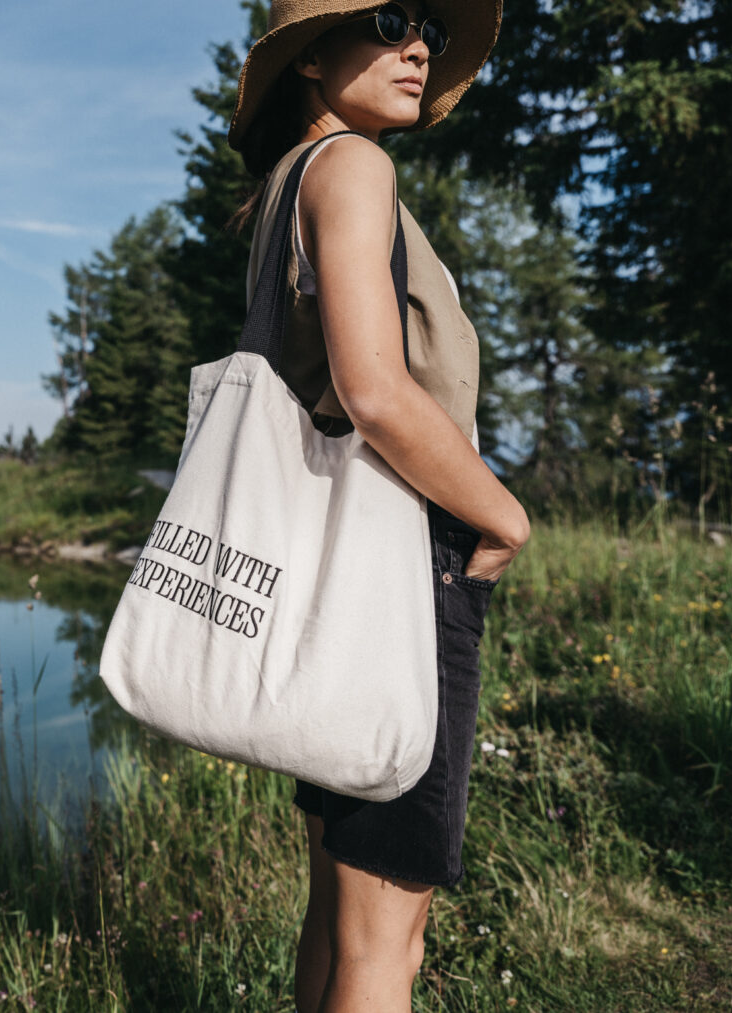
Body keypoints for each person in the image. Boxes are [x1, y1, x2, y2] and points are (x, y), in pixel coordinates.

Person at [226, 2, 530, 1011]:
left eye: (430, 30)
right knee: (385, 942)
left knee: (340, 913)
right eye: (391, 21)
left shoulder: (290, 182)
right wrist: (504, 515)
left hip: (333, 577)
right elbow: (376, 390)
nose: (420, 47)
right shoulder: (353, 166)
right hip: (396, 572)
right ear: (312, 56)